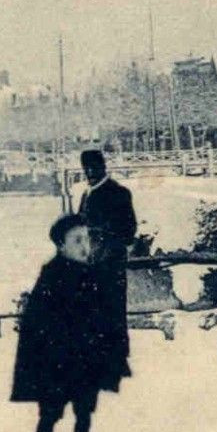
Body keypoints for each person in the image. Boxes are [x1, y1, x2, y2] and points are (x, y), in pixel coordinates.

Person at [11, 214, 109, 432]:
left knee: (84, 415)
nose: (84, 246)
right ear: (61, 245)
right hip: (57, 362)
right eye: (77, 241)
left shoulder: (91, 274)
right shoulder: (51, 275)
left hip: (84, 360)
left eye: (86, 239)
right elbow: (36, 321)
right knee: (50, 416)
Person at [77, 149, 135, 392]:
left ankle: (117, 364)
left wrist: (103, 242)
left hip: (109, 265)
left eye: (94, 168)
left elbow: (128, 230)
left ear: (103, 167)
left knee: (112, 313)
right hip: (90, 265)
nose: (90, 173)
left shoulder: (119, 193)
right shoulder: (86, 195)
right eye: (86, 169)